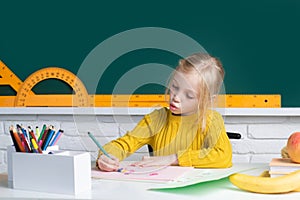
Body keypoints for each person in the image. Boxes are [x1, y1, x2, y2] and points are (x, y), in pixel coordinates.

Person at [97, 53, 232, 171]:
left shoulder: (211, 119)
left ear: (207, 100)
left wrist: (174, 158)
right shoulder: (156, 119)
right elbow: (123, 144)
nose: (176, 97)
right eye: (174, 87)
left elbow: (223, 156)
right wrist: (105, 157)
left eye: (189, 95)